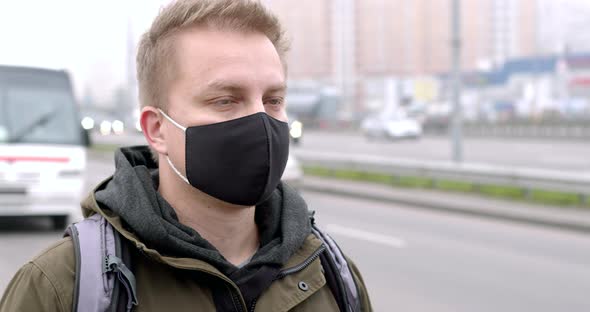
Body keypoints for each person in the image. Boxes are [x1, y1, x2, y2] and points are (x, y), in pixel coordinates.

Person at [0, 0, 372, 311]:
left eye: (273, 100)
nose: (260, 121)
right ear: (157, 129)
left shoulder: (332, 275)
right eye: (226, 100)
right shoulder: (61, 286)